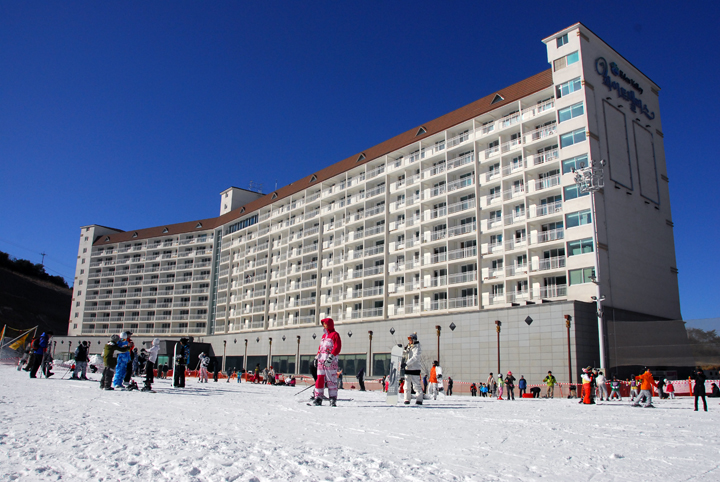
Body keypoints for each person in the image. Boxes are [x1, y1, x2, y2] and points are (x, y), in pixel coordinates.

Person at [312, 317, 342, 406]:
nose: (324, 325)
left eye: (325, 324)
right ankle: (318, 398)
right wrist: (316, 357)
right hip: (321, 362)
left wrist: (331, 357)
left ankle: (332, 398)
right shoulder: (323, 336)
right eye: (323, 324)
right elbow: (320, 348)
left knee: (331, 380)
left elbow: (337, 347)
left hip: (330, 362)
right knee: (319, 379)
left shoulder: (335, 335)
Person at [401, 333, 424, 405]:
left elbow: (415, 357)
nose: (409, 341)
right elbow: (405, 354)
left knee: (416, 385)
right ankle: (406, 399)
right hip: (408, 369)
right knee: (406, 385)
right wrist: (401, 349)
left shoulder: (417, 347)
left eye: (410, 339)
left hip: (415, 369)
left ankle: (419, 399)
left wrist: (406, 363)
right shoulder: (408, 347)